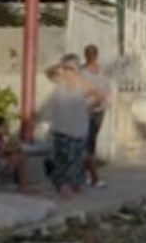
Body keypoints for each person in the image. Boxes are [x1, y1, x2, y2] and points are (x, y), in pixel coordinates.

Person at [41, 58, 93, 198]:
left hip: (78, 128)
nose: (68, 72)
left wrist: (90, 106)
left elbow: (100, 94)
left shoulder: (83, 84)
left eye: (71, 69)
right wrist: (59, 65)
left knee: (76, 158)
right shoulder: (60, 81)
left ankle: (75, 184)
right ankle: (63, 185)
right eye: (66, 69)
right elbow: (47, 72)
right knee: (62, 157)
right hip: (61, 127)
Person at [81, 45, 113, 189]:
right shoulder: (82, 72)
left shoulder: (102, 72)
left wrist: (102, 99)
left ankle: (88, 173)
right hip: (85, 110)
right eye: (88, 54)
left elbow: (106, 89)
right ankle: (91, 175)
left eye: (92, 54)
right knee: (87, 143)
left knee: (92, 140)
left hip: (99, 109)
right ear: (85, 55)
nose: (90, 57)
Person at [0, 116, 27, 191]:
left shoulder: (0, 138)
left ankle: (22, 185)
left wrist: (14, 145)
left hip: (0, 159)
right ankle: (22, 186)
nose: (6, 128)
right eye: (4, 126)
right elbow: (5, 149)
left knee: (19, 156)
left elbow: (12, 146)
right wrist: (14, 147)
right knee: (19, 157)